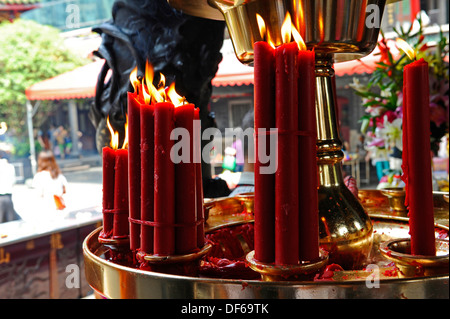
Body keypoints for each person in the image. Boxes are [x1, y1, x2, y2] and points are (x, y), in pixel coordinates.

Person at [0, 150, 20, 223]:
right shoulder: (10, 166)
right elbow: (13, 181)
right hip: (9, 197)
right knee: (11, 223)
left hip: (1, 197)